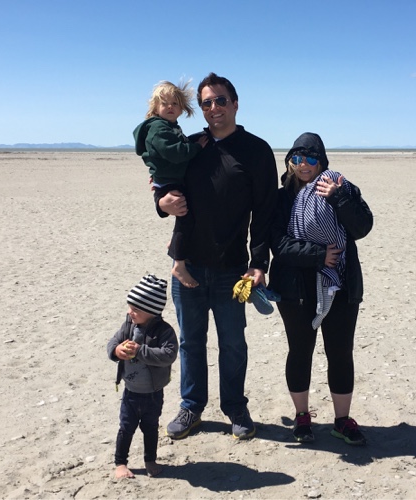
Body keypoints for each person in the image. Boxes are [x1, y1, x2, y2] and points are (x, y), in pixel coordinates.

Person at [156, 72, 278, 440]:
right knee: (191, 342)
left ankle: (235, 407)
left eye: (220, 100)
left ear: (235, 104)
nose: (214, 108)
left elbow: (265, 212)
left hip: (232, 269)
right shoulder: (191, 147)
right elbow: (165, 183)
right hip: (187, 266)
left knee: (233, 343)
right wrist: (161, 203)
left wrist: (258, 263)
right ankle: (191, 407)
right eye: (206, 103)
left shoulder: (256, 150)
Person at [269, 132, 373, 445]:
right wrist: (318, 255)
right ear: (289, 161)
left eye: (311, 158)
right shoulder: (281, 198)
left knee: (340, 352)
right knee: (300, 351)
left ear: (322, 162)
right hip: (295, 289)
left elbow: (362, 227)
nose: (304, 164)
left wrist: (339, 198)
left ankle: (342, 420)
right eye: (297, 158)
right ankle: (302, 416)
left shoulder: (340, 187)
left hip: (340, 284)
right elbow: (277, 243)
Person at [133, 81, 208, 288]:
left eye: (175, 103)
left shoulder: (170, 127)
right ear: (155, 107)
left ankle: (175, 244)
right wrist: (196, 148)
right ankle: (179, 264)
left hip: (170, 179)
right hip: (169, 182)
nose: (170, 107)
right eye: (164, 103)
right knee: (186, 217)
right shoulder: (158, 128)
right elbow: (175, 153)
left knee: (189, 215)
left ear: (182, 108)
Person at [107, 274, 178, 478]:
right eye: (130, 307)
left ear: (152, 311)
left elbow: (168, 355)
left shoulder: (164, 331)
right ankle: (120, 463)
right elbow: (112, 343)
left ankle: (150, 460)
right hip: (131, 392)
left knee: (150, 428)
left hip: (153, 393)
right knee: (126, 428)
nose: (130, 312)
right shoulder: (128, 325)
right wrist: (117, 351)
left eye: (135, 309)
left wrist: (139, 350)